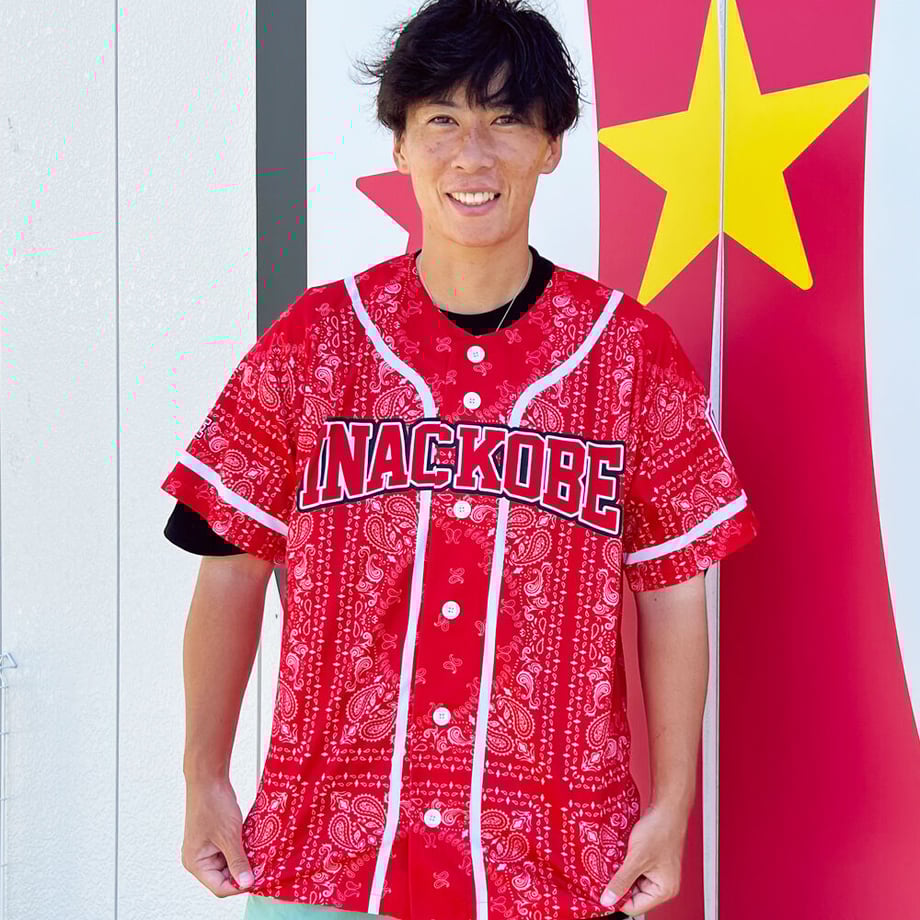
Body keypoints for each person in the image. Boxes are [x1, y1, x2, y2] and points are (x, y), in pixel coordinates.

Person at [162, 0, 759, 917]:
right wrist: (203, 775)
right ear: (400, 146)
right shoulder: (318, 341)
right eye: (440, 119)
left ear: (551, 145)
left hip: (555, 859)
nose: (471, 155)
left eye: (506, 118)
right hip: (328, 852)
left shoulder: (628, 354)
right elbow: (228, 565)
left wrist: (672, 803)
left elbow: (673, 593)